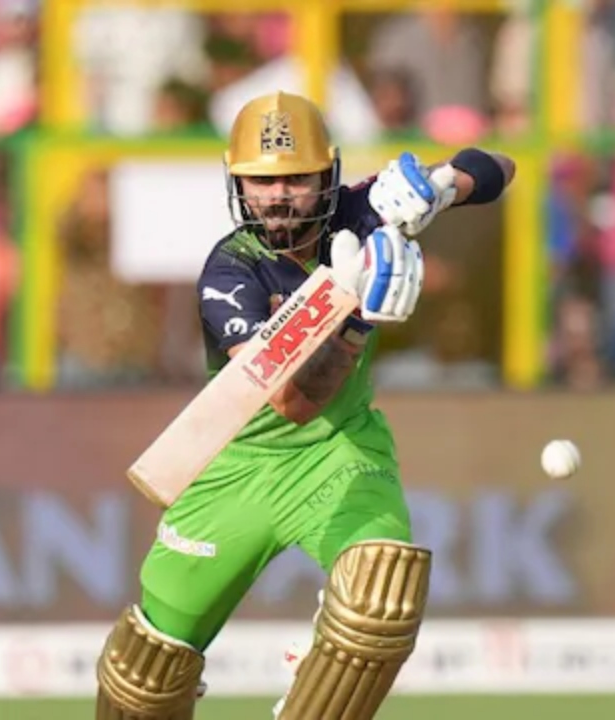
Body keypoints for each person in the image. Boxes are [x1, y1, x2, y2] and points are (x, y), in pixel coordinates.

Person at [93, 91, 515, 720]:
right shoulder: (231, 272)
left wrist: (440, 188)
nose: (280, 196)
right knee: (144, 673)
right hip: (237, 464)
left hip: (341, 454)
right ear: (238, 183)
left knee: (379, 596)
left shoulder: (362, 211)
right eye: (262, 182)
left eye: (296, 178)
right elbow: (292, 403)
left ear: (327, 176)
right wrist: (356, 318)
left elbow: (501, 166)